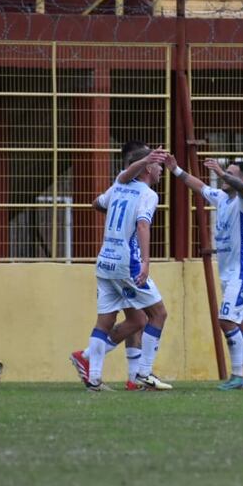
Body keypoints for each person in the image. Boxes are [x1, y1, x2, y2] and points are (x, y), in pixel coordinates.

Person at [68, 145, 172, 391]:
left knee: (117, 320)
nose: (161, 170)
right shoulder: (147, 194)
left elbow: (97, 203)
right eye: (158, 165)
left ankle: (93, 377)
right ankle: (143, 374)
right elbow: (144, 226)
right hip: (128, 264)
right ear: (147, 167)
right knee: (159, 314)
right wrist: (146, 262)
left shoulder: (118, 185)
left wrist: (115, 211)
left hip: (105, 261)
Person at [165, 154, 243, 390]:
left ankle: (237, 376)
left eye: (230, 173)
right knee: (241, 325)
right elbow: (200, 187)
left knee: (226, 320)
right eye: (225, 172)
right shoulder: (223, 198)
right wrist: (176, 170)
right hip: (231, 274)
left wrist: (221, 173)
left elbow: (240, 188)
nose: (224, 176)